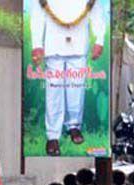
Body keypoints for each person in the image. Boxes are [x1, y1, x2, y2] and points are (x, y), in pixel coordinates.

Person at [30, 0, 106, 156]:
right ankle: (53, 136)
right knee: (54, 91)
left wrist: (99, 40)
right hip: (53, 45)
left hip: (79, 44)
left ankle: (74, 127)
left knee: (76, 89)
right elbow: (37, 15)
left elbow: (97, 12)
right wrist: (37, 44)